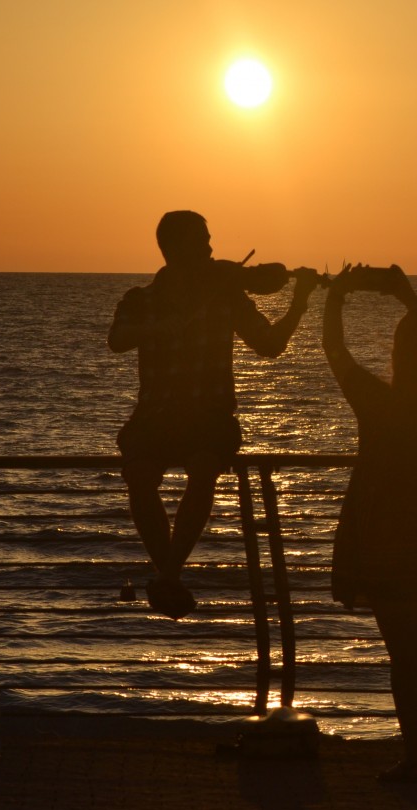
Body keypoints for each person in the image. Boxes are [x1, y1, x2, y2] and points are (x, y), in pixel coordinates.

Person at [109, 210, 320, 619]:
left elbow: (269, 345)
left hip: (209, 417)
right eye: (202, 240)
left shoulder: (225, 293)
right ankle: (168, 576)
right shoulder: (140, 300)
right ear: (175, 248)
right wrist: (157, 328)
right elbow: (117, 340)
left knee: (204, 466)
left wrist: (300, 301)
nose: (211, 248)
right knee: (138, 475)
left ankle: (168, 574)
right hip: (156, 416)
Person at [321, 263, 417, 783]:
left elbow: (335, 352)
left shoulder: (378, 402)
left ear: (398, 354)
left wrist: (336, 296)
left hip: (385, 532)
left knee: (403, 654)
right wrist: (408, 298)